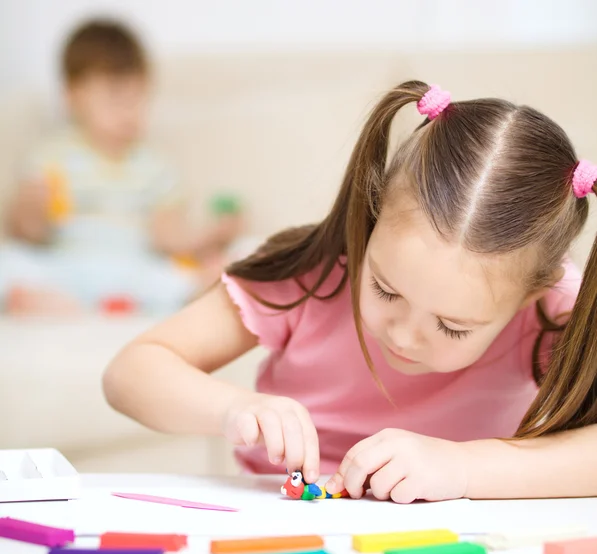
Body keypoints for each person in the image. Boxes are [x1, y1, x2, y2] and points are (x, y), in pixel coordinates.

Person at [103, 80, 597, 503]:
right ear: (376, 213)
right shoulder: (317, 272)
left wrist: (463, 467)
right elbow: (131, 373)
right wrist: (233, 408)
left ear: (534, 292)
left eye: (452, 325)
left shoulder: (556, 309)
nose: (403, 335)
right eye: (385, 290)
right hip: (279, 521)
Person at [2, 19, 242, 315]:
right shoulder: (51, 157)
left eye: (138, 99)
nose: (130, 112)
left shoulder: (154, 165)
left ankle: (146, 299)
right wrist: (30, 210)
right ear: (72, 98)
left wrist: (208, 237)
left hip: (131, 264)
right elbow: (29, 234)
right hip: (67, 261)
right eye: (116, 99)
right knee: (11, 262)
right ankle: (55, 303)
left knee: (169, 278)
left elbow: (165, 233)